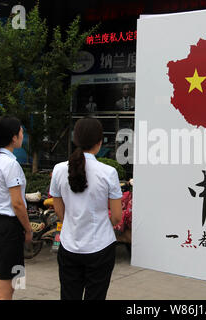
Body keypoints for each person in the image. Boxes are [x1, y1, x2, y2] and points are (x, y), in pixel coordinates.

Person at [49, 117, 123, 300]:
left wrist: (73, 222)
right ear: (99, 142)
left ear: (76, 139)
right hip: (100, 246)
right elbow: (117, 216)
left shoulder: (58, 170)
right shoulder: (108, 172)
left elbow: (59, 210)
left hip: (69, 245)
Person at [0, 116, 32, 300]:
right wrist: (28, 229)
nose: (22, 135)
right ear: (13, 137)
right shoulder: (11, 164)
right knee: (6, 290)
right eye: (21, 131)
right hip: (9, 230)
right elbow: (17, 203)